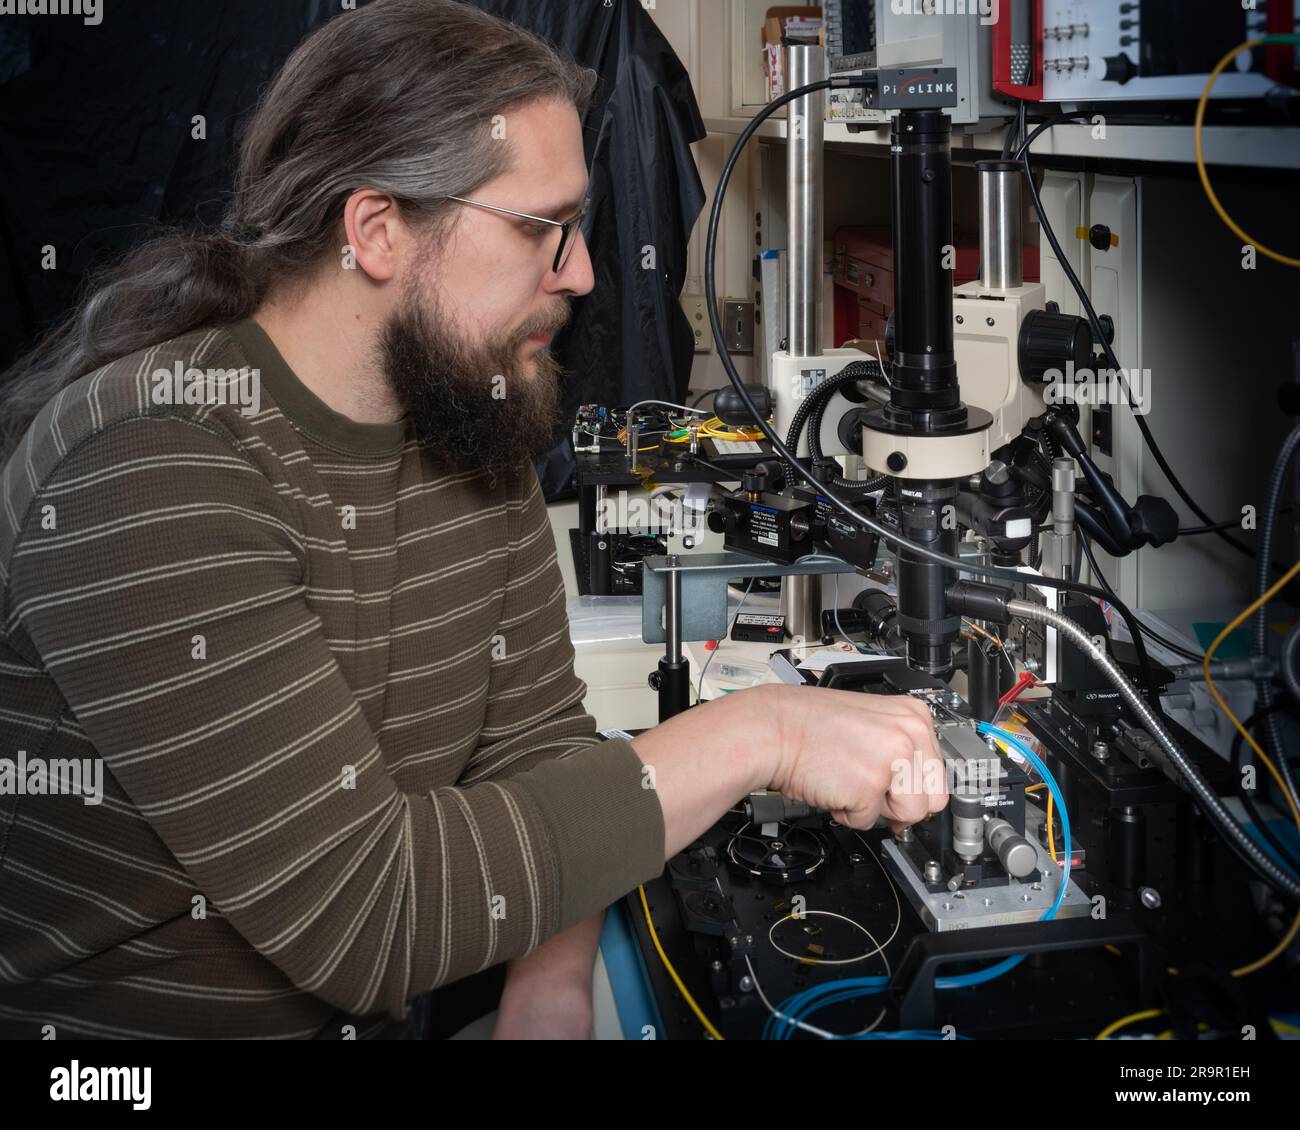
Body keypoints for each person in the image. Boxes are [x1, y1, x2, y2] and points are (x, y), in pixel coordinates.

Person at [0, 0, 945, 1040]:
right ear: (377, 231)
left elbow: (541, 750)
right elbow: (369, 910)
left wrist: (547, 981)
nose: (582, 272)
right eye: (543, 228)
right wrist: (763, 730)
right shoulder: (149, 461)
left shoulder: (468, 420)